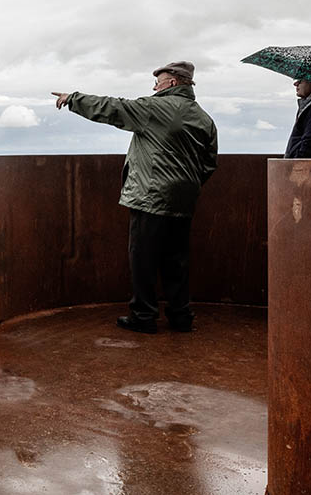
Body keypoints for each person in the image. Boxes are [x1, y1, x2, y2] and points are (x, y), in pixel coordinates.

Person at [52, 61, 218, 334]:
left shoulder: (155, 109)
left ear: (173, 83)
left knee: (143, 259)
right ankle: (180, 316)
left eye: (159, 81)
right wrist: (187, 186)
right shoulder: (204, 118)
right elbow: (209, 162)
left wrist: (73, 99)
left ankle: (144, 316)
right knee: (177, 260)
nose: (154, 87)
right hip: (183, 199)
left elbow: (113, 108)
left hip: (150, 196)